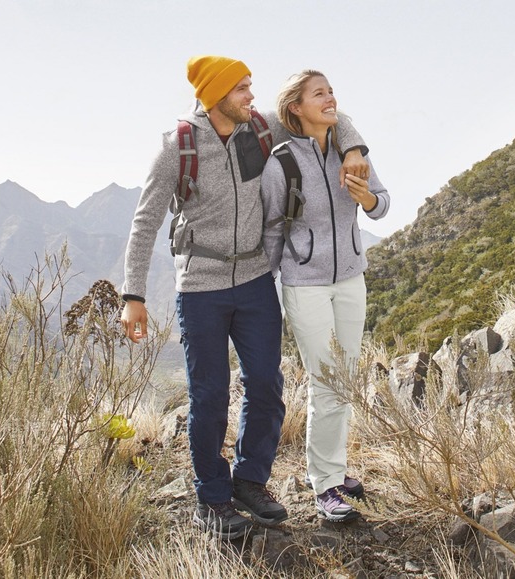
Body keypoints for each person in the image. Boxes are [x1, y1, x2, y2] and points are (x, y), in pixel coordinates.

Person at [120, 56, 371, 540]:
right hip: (200, 287)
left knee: (266, 386)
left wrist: (355, 144)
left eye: (251, 87)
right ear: (216, 94)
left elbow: (324, 116)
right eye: (241, 88)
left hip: (256, 279)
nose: (251, 96)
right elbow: (145, 219)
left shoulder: (259, 126)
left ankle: (250, 482)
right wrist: (133, 294)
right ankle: (212, 498)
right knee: (210, 395)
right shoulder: (178, 147)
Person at [260, 70, 390, 523]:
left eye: (332, 91)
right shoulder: (282, 164)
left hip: (352, 277)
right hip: (305, 284)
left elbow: (383, 201)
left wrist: (367, 200)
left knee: (346, 379)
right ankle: (325, 486)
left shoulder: (350, 151)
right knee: (327, 382)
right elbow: (273, 227)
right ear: (296, 107)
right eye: (320, 93)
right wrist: (269, 284)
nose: (331, 98)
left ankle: (337, 469)